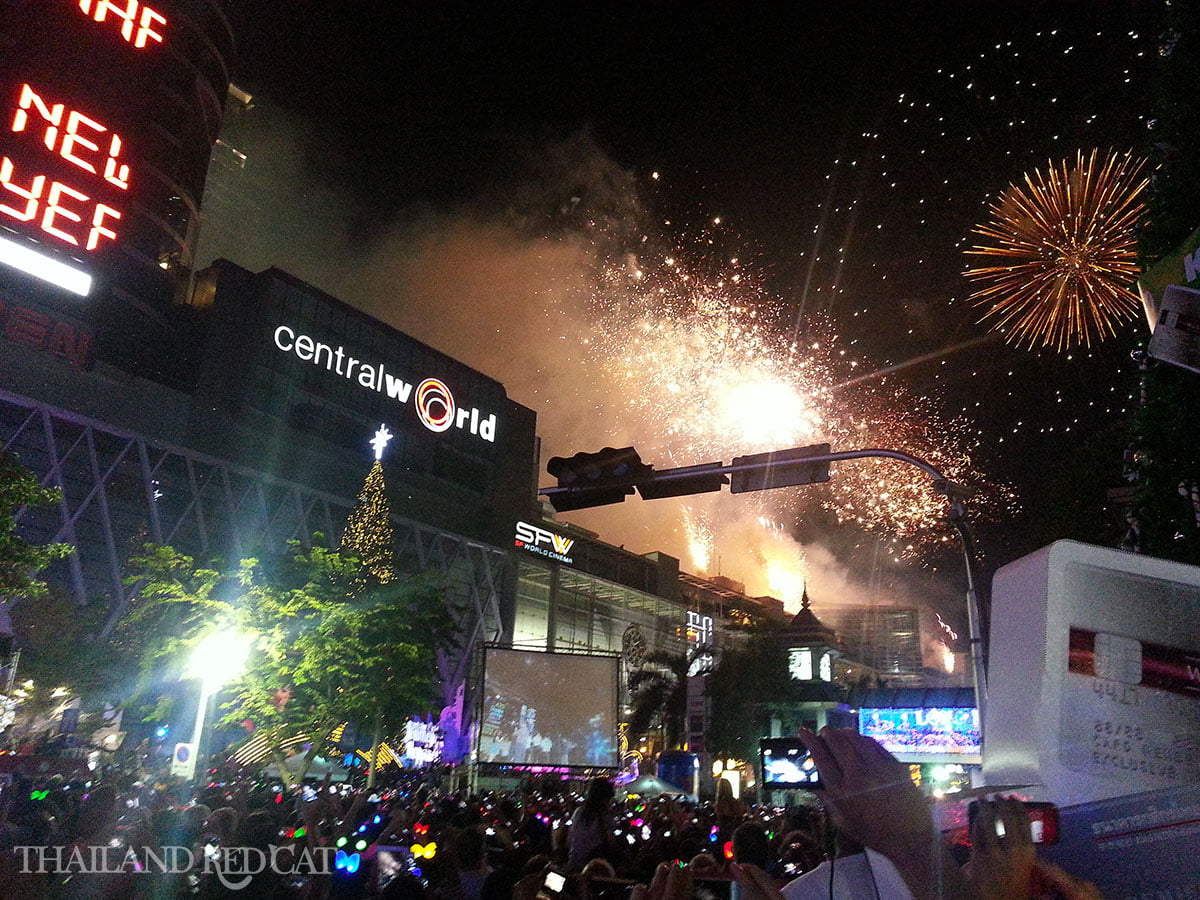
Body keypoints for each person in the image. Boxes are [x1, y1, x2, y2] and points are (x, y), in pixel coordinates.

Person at [567, 777, 616, 872]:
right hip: (593, 867)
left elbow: (569, 840)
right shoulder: (604, 816)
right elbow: (612, 843)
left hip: (573, 863)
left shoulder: (578, 812)